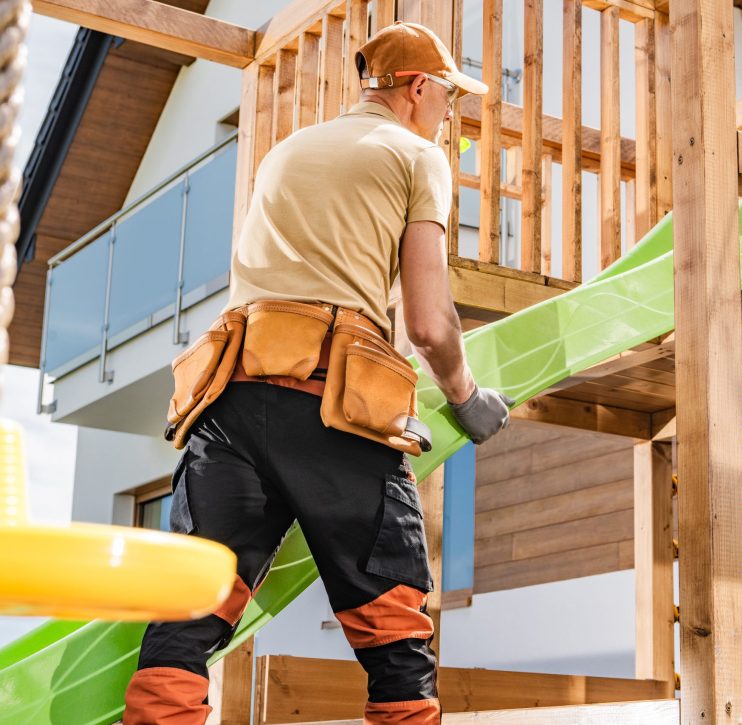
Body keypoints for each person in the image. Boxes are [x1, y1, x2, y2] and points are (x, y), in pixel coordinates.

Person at [124, 21, 512, 725]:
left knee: (189, 610)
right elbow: (428, 320)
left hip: (230, 401)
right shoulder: (416, 156)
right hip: (333, 406)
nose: (449, 114)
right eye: (448, 97)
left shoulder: (287, 150)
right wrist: (467, 395)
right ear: (418, 88)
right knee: (394, 629)